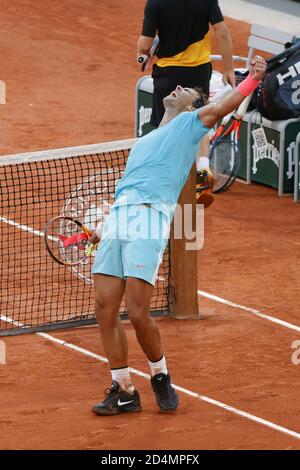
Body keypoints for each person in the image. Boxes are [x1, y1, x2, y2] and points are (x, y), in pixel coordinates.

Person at [91, 57, 267, 416]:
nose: (176, 88)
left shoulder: (191, 124)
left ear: (193, 106)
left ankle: (160, 374)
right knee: (105, 309)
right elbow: (129, 184)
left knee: (138, 312)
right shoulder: (144, 140)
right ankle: (124, 388)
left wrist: (252, 80)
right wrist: (106, 222)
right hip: (121, 218)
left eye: (184, 89)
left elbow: (224, 105)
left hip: (150, 220)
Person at [137, 0, 235, 129]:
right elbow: (223, 33)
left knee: (164, 129)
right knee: (195, 127)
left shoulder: (155, 2)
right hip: (199, 73)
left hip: (168, 75)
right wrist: (229, 69)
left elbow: (145, 45)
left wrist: (142, 51)